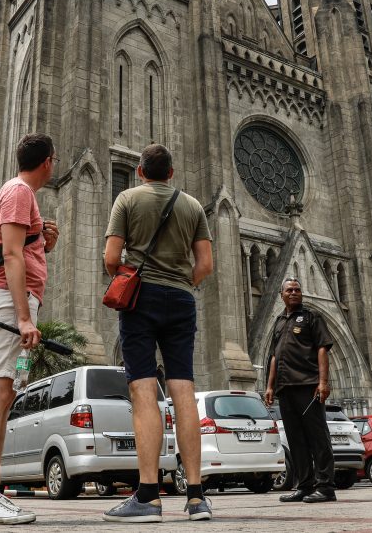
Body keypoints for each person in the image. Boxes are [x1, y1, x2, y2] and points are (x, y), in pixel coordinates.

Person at [102, 143, 214, 523]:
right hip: (182, 299)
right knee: (184, 391)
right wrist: (183, 280)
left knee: (144, 390)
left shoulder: (127, 200)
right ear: (171, 173)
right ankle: (197, 497)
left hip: (141, 299)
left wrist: (131, 275)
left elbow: (111, 258)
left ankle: (148, 496)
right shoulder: (193, 206)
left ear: (140, 171)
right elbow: (206, 264)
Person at [0, 133, 59, 525]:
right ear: (48, 162)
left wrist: (43, 242)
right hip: (6, 299)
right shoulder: (19, 191)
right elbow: (10, 254)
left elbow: (21, 247)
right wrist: (22, 317)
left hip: (8, 297)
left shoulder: (20, 194)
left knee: (3, 396)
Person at [263, 278, 336, 503]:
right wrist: (270, 386)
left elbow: (322, 349)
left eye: (297, 289)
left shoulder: (312, 317)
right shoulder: (279, 322)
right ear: (281, 294)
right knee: (296, 440)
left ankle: (325, 487)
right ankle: (304, 485)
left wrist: (323, 382)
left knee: (317, 438)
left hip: (308, 385)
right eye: (289, 290)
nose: (294, 293)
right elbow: (275, 356)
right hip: (285, 389)